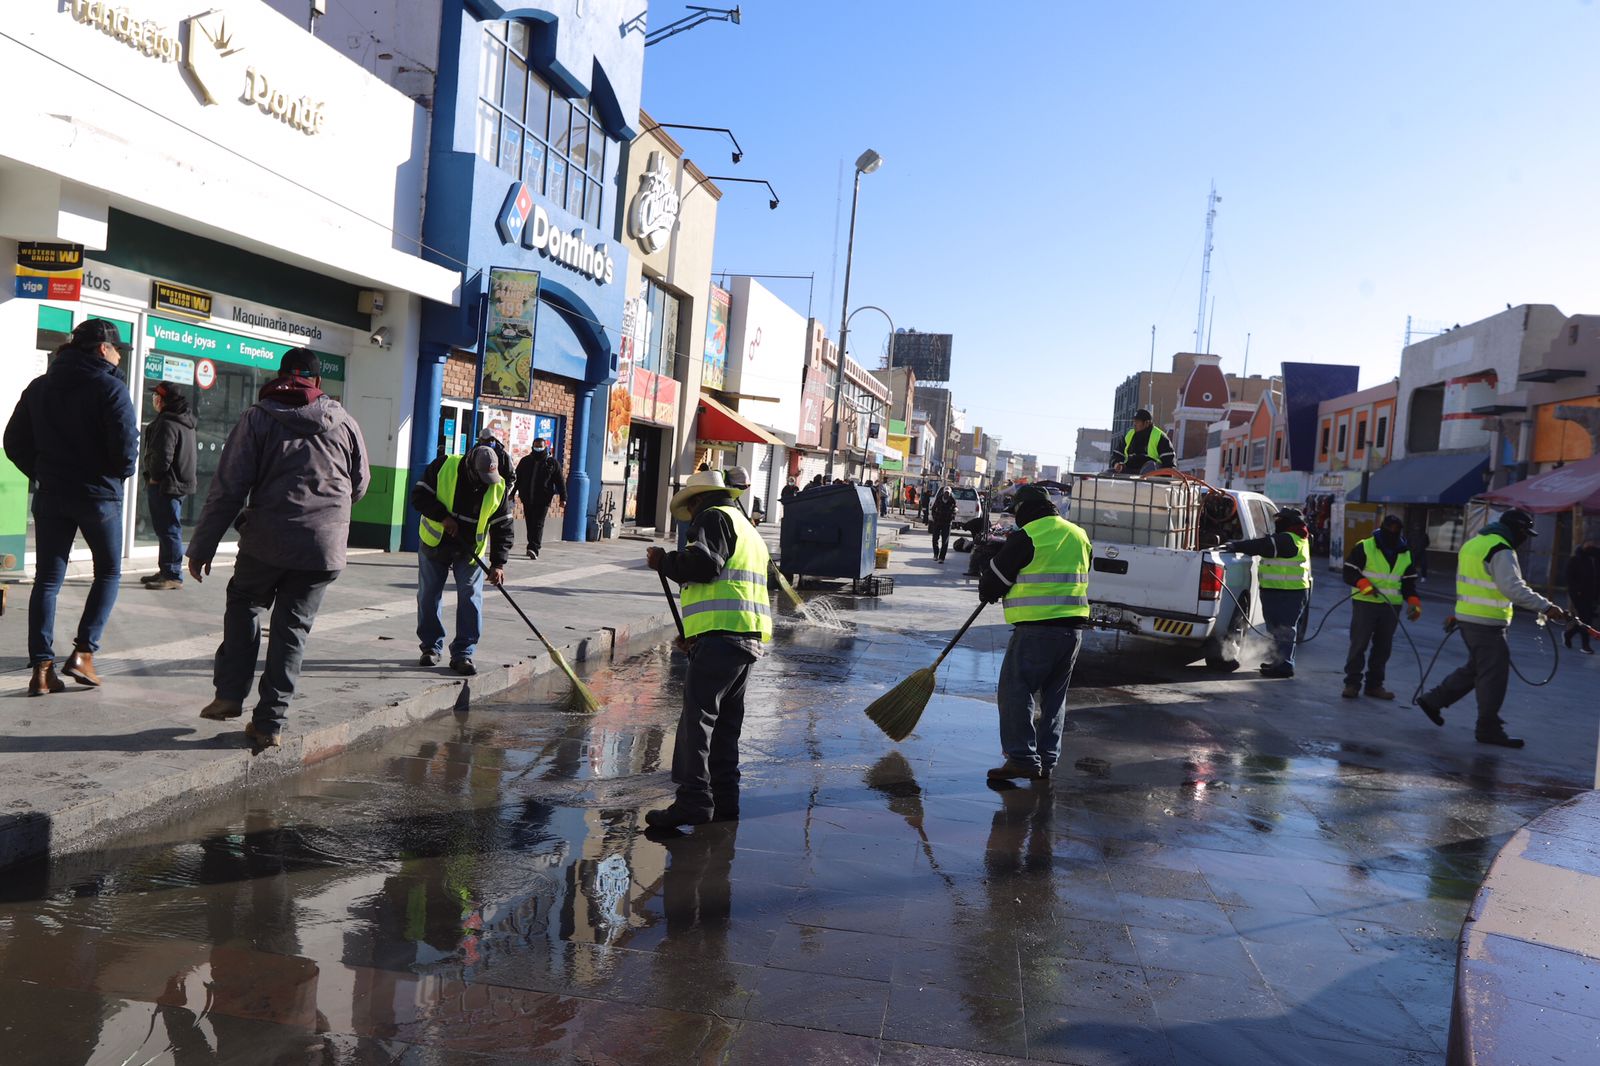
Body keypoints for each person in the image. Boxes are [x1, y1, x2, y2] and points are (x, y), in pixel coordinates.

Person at [187, 347, 370, 750]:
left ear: (281, 375)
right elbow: (359, 485)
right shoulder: (344, 423)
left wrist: (201, 546)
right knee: (292, 629)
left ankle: (230, 694)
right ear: (318, 383)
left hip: (266, 539)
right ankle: (269, 723)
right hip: (322, 549)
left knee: (245, 603)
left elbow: (229, 488)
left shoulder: (258, 418)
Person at [3, 319, 139, 696]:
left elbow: (13, 440)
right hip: (99, 496)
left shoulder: (40, 387)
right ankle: (83, 654)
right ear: (101, 349)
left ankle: (42, 670)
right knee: (109, 572)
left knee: (48, 579)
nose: (118, 357)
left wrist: (42, 472)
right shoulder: (110, 388)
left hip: (51, 495)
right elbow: (127, 449)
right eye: (116, 350)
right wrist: (112, 475)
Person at [645, 470, 771, 829]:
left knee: (697, 723)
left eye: (691, 505)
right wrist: (698, 635)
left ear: (698, 499)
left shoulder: (712, 517)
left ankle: (694, 801)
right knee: (726, 725)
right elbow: (728, 584)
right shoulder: (745, 525)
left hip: (723, 636)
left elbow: (703, 565)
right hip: (743, 637)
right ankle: (725, 801)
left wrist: (664, 561)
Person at [1417, 509, 1569, 748]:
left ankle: (1433, 700)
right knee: (1493, 676)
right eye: (1524, 533)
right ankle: (1488, 728)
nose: (1525, 538)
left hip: (1469, 618)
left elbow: (1468, 582)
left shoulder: (1473, 543)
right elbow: (1513, 589)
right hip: (1486, 623)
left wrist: (1459, 614)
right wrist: (1546, 607)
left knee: (1476, 669)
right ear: (1516, 530)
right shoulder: (1501, 549)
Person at [977, 484, 1091, 781]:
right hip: (1072, 633)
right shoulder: (1079, 535)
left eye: (1017, 513)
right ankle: (1046, 759)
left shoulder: (1028, 535)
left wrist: (988, 576)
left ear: (1024, 510)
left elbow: (992, 583)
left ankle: (1022, 758)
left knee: (1016, 690)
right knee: (1054, 698)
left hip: (1037, 631)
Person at [413, 445, 513, 676]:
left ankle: (463, 653)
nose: (486, 482)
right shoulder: (443, 466)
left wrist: (498, 564)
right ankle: (430, 646)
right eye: (482, 477)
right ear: (470, 468)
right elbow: (419, 497)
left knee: (470, 597)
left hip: (470, 551)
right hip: (435, 542)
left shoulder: (498, 487)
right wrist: (443, 517)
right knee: (428, 595)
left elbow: (503, 528)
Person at [1341, 514, 1423, 700]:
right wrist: (1362, 583)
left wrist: (1414, 601)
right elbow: (1349, 571)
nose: (1392, 533)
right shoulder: (1365, 546)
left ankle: (1374, 686)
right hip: (1366, 603)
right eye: (1390, 529)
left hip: (1391, 607)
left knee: (1383, 648)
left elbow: (1409, 583)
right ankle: (1352, 684)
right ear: (1383, 528)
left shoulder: (1405, 552)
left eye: (1396, 530)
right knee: (1359, 644)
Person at [1224, 506, 1312, 678]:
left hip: (1288, 592)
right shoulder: (1296, 537)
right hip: (1282, 590)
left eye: (1280, 521)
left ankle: (1285, 666)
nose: (1277, 523)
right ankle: (1279, 662)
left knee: (1284, 629)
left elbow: (1262, 545)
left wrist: (1235, 545)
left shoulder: (1288, 539)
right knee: (1277, 628)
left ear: (1289, 523)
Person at [140, 382, 198, 591]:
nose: (154, 400)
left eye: (156, 396)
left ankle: (173, 574)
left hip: (166, 483)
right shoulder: (184, 420)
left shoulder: (168, 422)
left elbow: (163, 455)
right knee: (167, 528)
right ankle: (166, 569)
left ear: (163, 400)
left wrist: (155, 476)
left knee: (169, 529)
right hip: (176, 482)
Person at [513, 438, 566, 560]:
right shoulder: (525, 461)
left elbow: (560, 481)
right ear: (532, 447)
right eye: (536, 446)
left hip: (543, 499)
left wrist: (563, 498)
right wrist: (513, 493)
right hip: (527, 498)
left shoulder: (552, 463)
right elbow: (518, 479)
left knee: (538, 523)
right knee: (530, 523)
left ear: (545, 447)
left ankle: (534, 548)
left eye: (540, 446)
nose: (538, 448)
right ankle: (531, 545)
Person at [1110, 409, 1176, 474]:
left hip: (1152, 477)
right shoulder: (1129, 435)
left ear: (1147, 423)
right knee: (1107, 474)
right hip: (1129, 472)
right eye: (1134, 421)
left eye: (1137, 421)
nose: (1134, 424)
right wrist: (1116, 464)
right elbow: (1116, 455)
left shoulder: (1160, 437)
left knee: (1150, 466)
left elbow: (1169, 464)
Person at [1566, 538, 1599, 654]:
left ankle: (1569, 634)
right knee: (1586, 620)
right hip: (1580, 595)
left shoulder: (1594, 559)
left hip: (1593, 595)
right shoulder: (1575, 560)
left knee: (1586, 620)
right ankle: (1585, 645)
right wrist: (1576, 592)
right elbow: (1571, 580)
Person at [929, 485, 957, 563]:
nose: (946, 494)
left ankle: (942, 558)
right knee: (935, 539)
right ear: (943, 492)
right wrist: (935, 518)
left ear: (950, 493)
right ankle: (936, 554)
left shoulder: (952, 500)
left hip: (947, 523)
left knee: (945, 541)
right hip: (937, 522)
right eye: (945, 493)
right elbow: (933, 509)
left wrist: (952, 516)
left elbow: (955, 509)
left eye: (948, 493)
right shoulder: (939, 499)